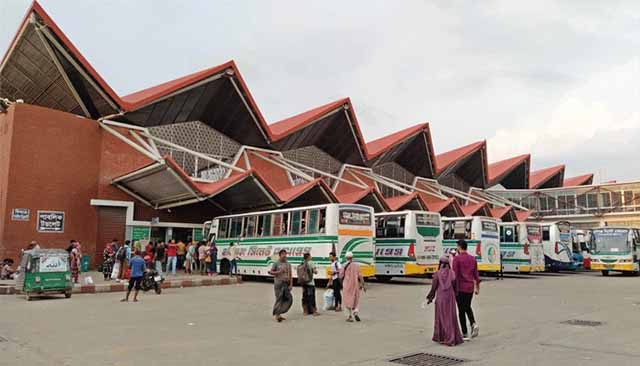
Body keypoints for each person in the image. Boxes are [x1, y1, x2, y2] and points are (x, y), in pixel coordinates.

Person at [426, 255, 464, 346]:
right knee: (450, 317)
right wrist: (456, 294)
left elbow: (434, 288)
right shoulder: (452, 273)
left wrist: (430, 298)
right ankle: (452, 338)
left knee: (441, 317)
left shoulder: (437, 274)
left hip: (440, 298)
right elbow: (455, 286)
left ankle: (443, 337)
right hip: (450, 298)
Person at [451, 239, 480, 340]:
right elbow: (476, 275)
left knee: (461, 310)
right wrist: (477, 288)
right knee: (467, 306)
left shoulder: (457, 259)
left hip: (460, 288)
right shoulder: (473, 259)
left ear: (459, 247)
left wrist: (451, 287)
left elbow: (454, 275)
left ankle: (464, 333)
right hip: (470, 288)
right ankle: (473, 323)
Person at [269, 249, 293, 322]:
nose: (284, 255)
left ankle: (279, 312)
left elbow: (290, 274)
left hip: (286, 284)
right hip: (278, 284)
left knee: (289, 299)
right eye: (283, 254)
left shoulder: (288, 264)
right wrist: (279, 272)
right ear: (280, 255)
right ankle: (277, 315)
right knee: (279, 299)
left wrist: (291, 284)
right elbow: (270, 272)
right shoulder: (276, 263)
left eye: (285, 254)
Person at [340, 251, 364, 322]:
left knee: (347, 300)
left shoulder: (344, 265)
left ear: (346, 257)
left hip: (347, 285)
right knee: (355, 299)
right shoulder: (357, 265)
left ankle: (349, 316)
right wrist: (363, 284)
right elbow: (360, 276)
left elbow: (341, 276)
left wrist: (341, 283)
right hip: (355, 285)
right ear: (352, 257)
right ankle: (355, 312)